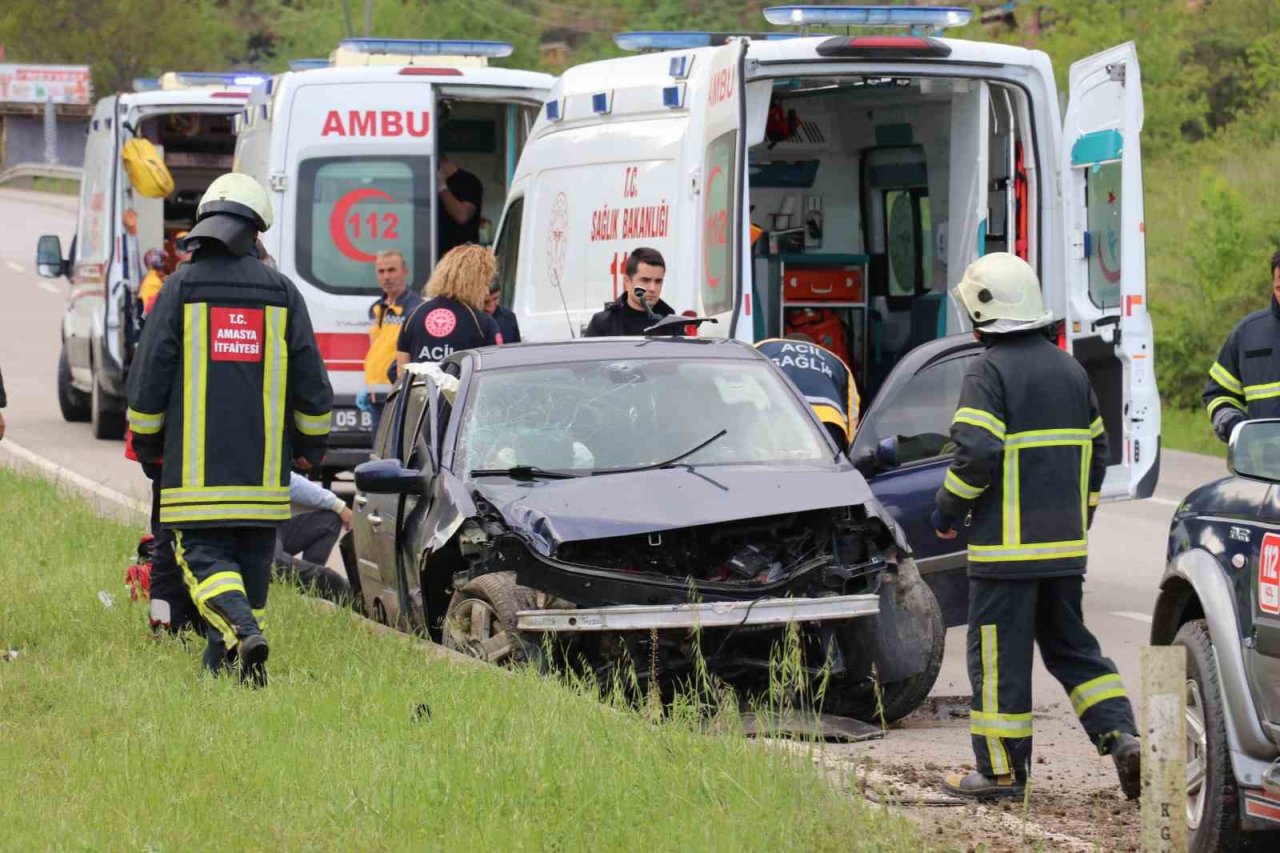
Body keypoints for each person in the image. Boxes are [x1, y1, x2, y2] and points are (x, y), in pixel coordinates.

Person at [930, 252, 1140, 802]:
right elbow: (1098, 454)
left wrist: (948, 511)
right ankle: (1122, 736)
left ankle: (1000, 774)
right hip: (1065, 549)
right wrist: (1080, 518)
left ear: (982, 312)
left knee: (999, 661)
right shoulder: (1069, 369)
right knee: (1074, 650)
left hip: (1005, 554)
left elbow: (975, 453)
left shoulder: (988, 371)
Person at [126, 172, 333, 686]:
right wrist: (311, 449)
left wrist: (151, 450)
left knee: (203, 561)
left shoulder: (179, 289)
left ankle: (241, 628)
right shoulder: (283, 294)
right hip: (264, 481)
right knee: (250, 572)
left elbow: (147, 380)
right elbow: (313, 387)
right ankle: (238, 679)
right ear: (256, 229)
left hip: (196, 478)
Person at [1204, 249, 1280, 442]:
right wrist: (1235, 427)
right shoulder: (1247, 334)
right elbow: (1218, 394)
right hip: (1265, 469)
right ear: (1273, 285)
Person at [396, 245, 502, 370]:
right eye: (485, 282)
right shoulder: (482, 323)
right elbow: (492, 374)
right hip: (462, 390)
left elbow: (402, 374)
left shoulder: (414, 315)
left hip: (420, 389)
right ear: (476, 281)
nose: (486, 291)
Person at [755, 336, 859, 450]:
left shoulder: (760, 348)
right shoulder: (835, 361)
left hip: (778, 415)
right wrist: (850, 448)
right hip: (824, 423)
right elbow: (852, 408)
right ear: (814, 346)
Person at [362, 250, 422, 431]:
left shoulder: (415, 308)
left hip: (398, 395)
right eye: (381, 271)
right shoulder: (376, 308)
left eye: (391, 270)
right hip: (375, 396)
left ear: (405, 272)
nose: (386, 276)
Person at [583, 247, 679, 337]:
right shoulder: (604, 323)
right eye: (645, 280)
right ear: (627, 282)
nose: (653, 288)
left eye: (658, 281)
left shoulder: (672, 324)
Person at [437, 151, 483, 256]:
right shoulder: (430, 184)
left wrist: (442, 187)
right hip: (438, 255)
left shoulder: (469, 182)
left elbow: (462, 215)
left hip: (463, 257)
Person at [485, 277, 521, 344]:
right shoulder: (472, 320)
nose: (491, 307)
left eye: (496, 299)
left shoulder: (510, 318)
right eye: (485, 302)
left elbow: (516, 350)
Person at [138, 249, 169, 314]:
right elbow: (155, 311)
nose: (167, 265)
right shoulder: (153, 284)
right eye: (164, 261)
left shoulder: (153, 279)